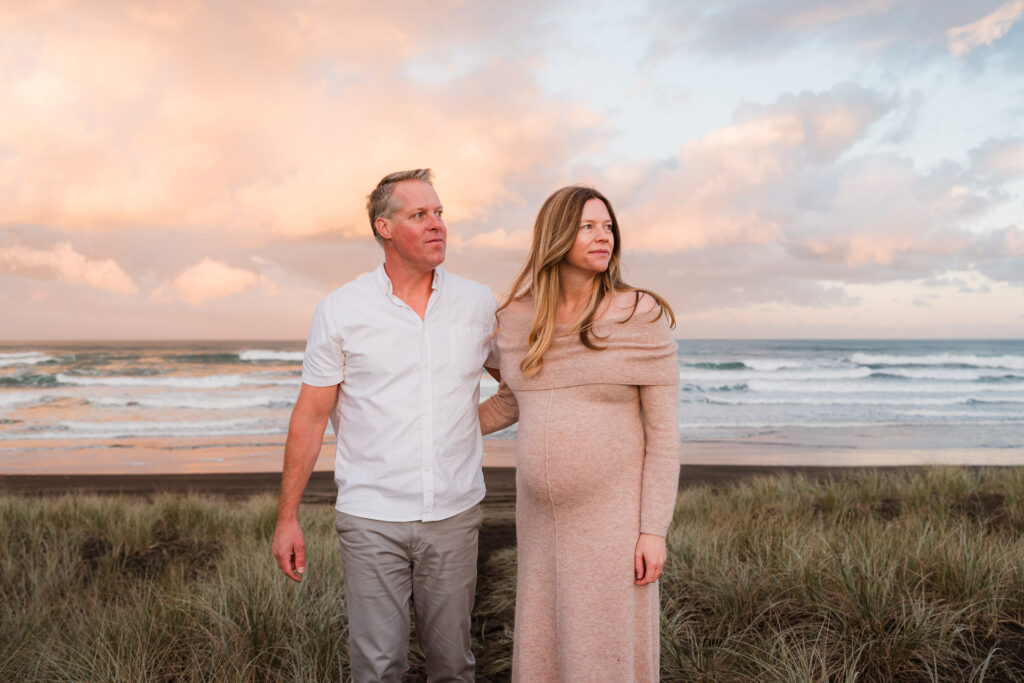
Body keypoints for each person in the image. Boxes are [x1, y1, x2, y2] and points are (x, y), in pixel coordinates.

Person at [271, 169, 498, 683]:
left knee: (453, 667)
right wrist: (287, 518)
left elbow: (520, 386)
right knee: (376, 668)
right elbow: (310, 416)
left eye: (440, 213)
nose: (437, 224)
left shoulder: (478, 302)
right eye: (420, 215)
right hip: (370, 516)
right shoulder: (341, 310)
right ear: (385, 228)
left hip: (455, 513)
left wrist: (462, 426)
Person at [479, 185, 680, 682]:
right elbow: (513, 398)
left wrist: (653, 530)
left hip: (614, 523)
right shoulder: (517, 319)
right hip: (541, 521)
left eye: (607, 226)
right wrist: (433, 425)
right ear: (557, 236)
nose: (602, 236)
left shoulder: (638, 314)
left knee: (607, 651)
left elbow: (664, 437)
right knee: (546, 648)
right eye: (588, 226)